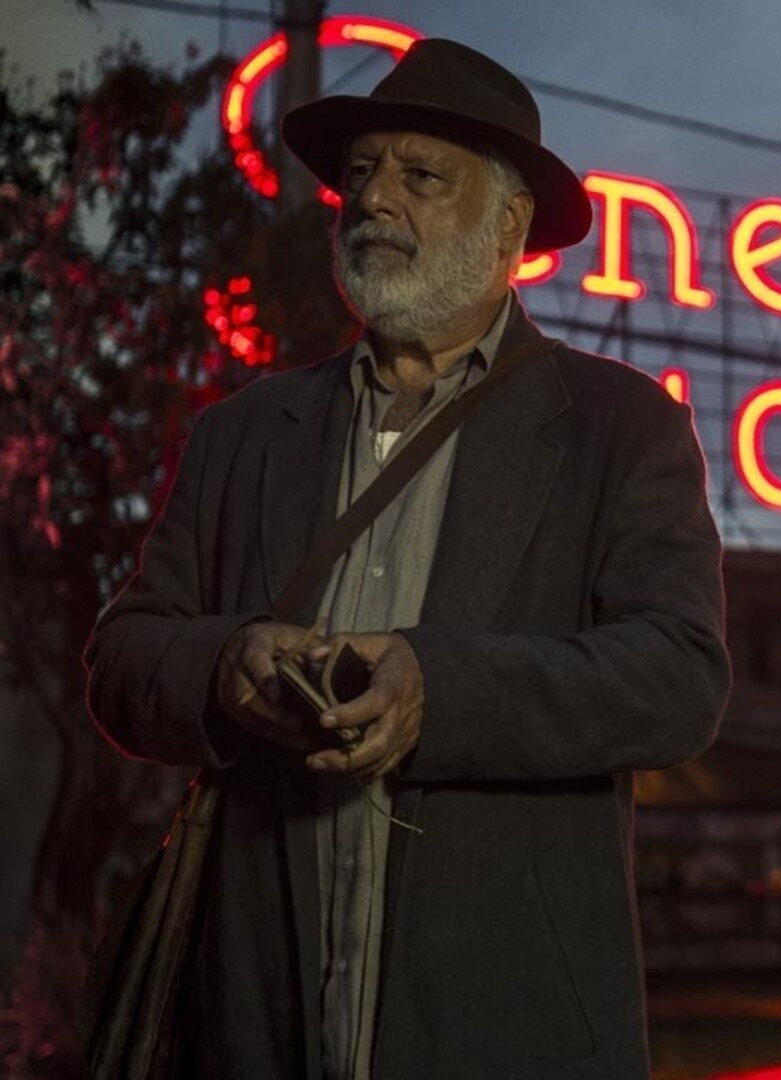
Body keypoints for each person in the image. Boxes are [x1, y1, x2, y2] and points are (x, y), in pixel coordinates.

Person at [82, 38, 730, 1078]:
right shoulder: (243, 435)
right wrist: (224, 666)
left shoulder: (620, 429)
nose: (375, 199)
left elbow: (678, 678)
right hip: (253, 1028)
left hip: (504, 1034)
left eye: (421, 176)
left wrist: (440, 691)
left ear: (510, 226)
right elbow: (122, 660)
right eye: (361, 174)